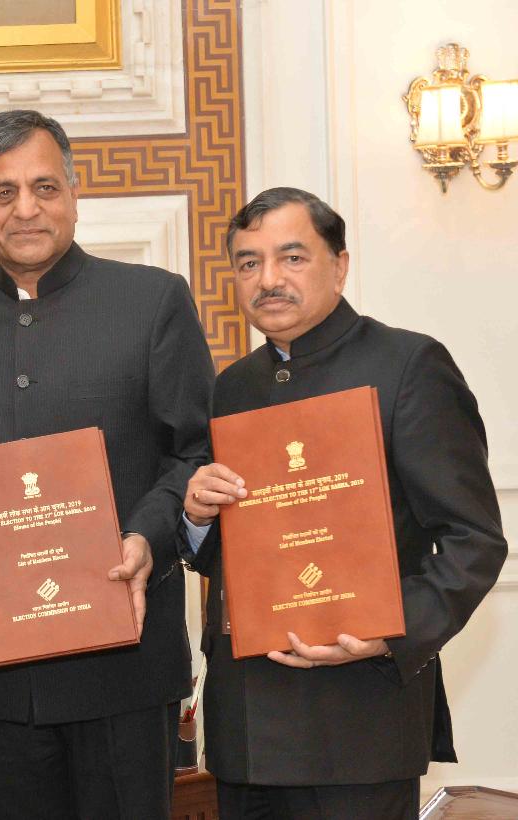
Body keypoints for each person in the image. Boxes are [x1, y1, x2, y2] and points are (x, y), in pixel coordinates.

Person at [0, 109, 215, 818]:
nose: (25, 208)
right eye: (4, 192)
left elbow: (196, 450)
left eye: (44, 187)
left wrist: (147, 536)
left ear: (75, 194)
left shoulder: (152, 299)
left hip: (125, 656)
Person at [181, 187, 507, 819]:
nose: (268, 279)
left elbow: (474, 540)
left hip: (359, 721)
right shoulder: (232, 387)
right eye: (248, 263)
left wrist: (387, 633)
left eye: (292, 257)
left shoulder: (408, 365)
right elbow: (235, 554)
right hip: (246, 726)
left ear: (340, 265)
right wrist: (196, 518)